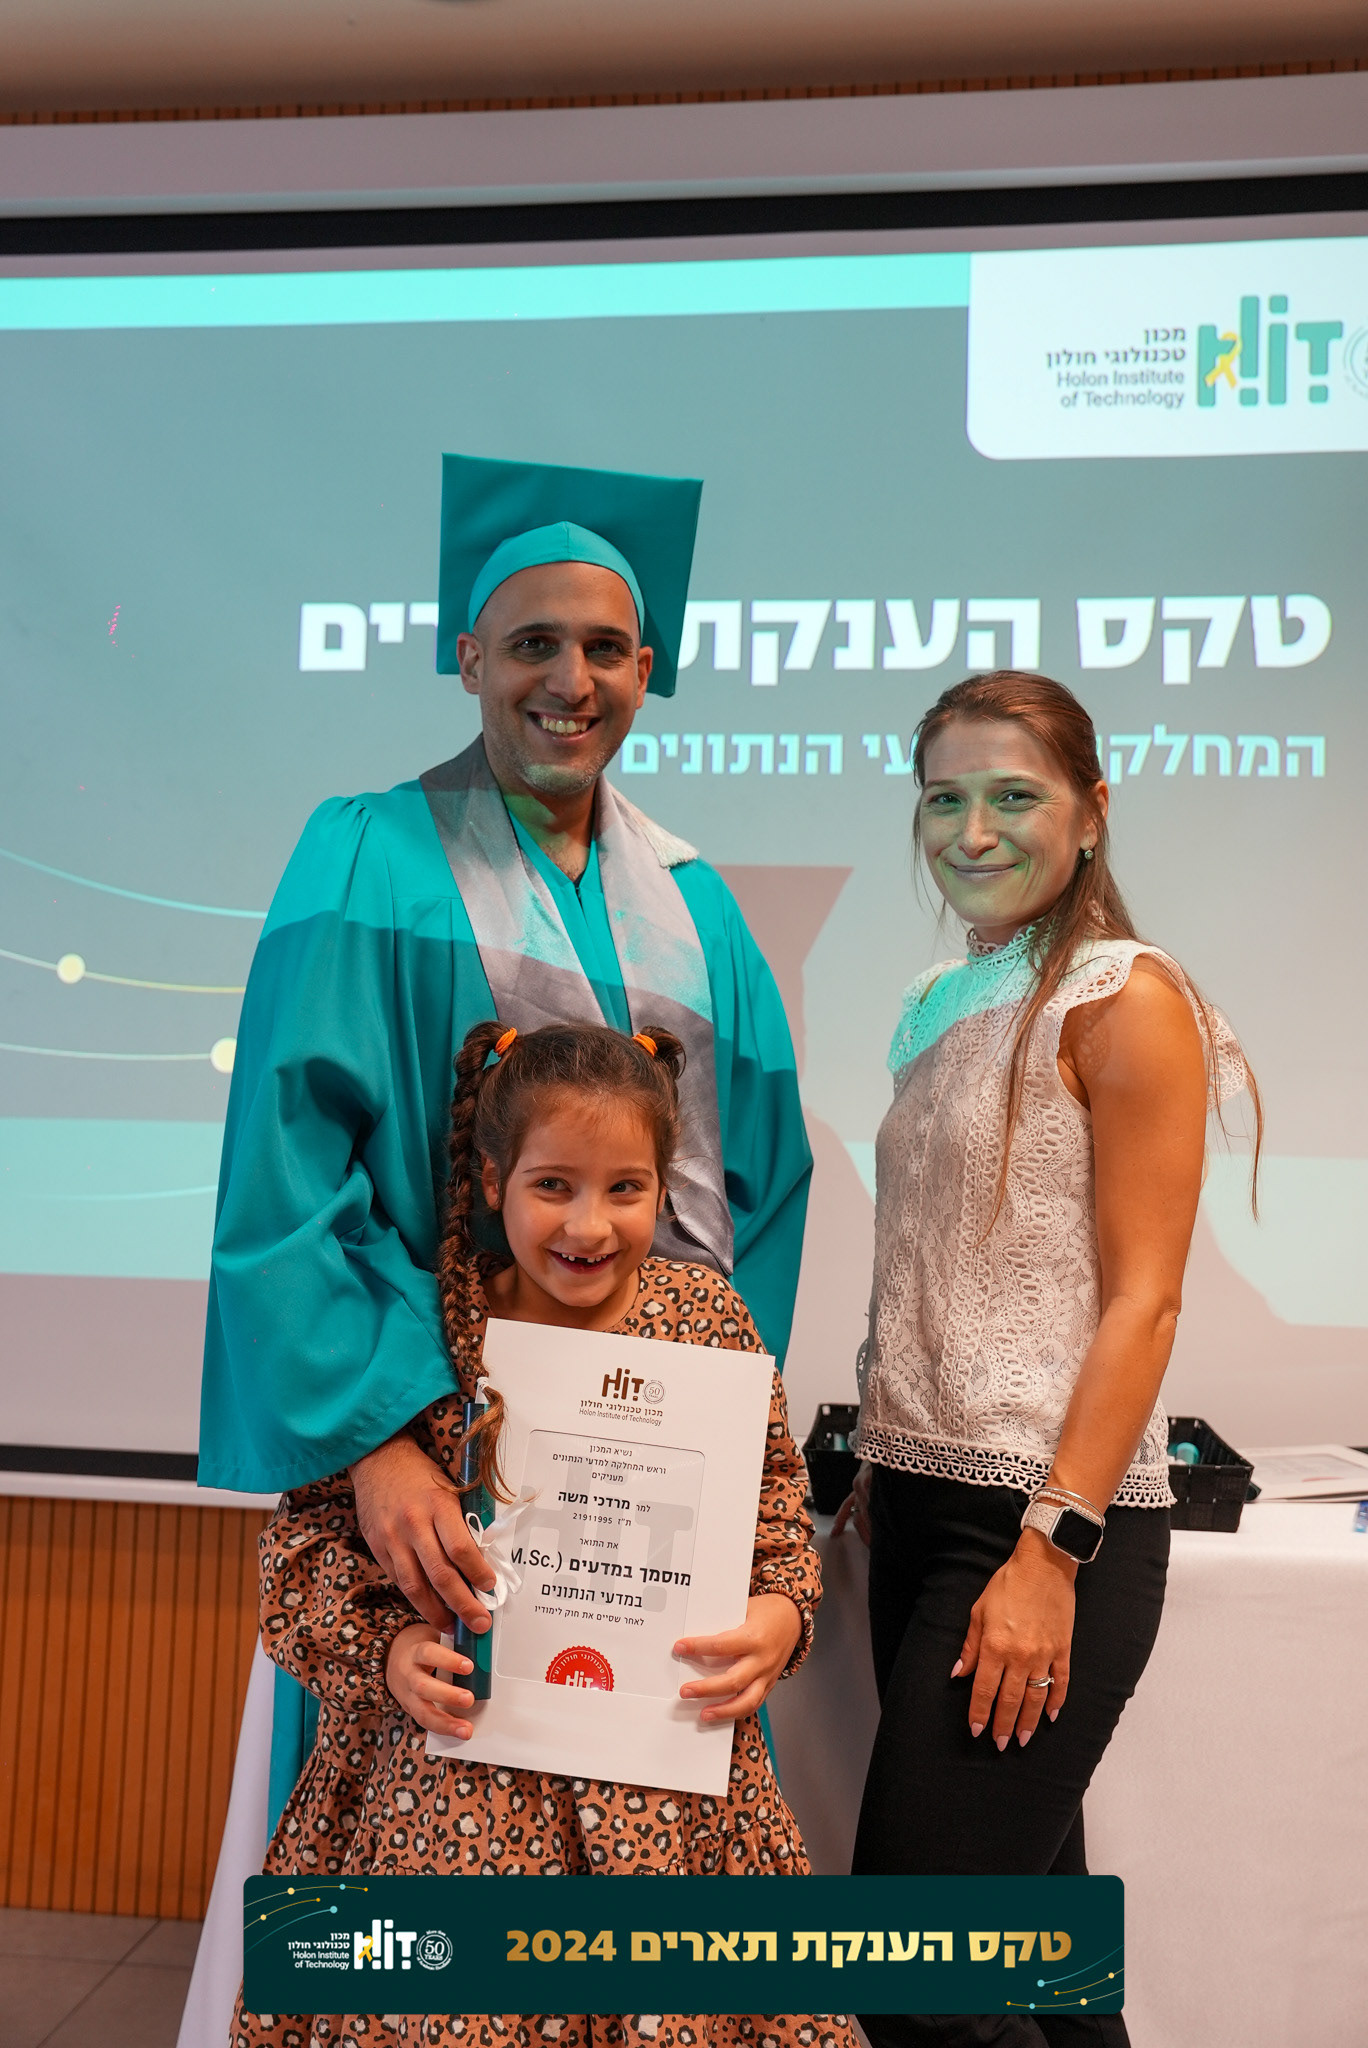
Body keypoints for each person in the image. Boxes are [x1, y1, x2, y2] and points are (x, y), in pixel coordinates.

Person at [199, 454, 812, 1820]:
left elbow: (758, 1197)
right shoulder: (368, 852)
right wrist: (374, 1444)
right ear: (470, 658)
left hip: (634, 1501)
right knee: (420, 1819)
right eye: (533, 643)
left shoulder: (700, 909)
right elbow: (289, 1170)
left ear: (647, 668)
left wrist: (695, 1440)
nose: (568, 679)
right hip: (426, 1469)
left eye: (603, 648)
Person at [231, 1017, 854, 2048]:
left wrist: (782, 1613)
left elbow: (777, 1507)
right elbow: (302, 1553)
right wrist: (389, 1651)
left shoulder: (710, 1322)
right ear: (492, 1180)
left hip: (666, 1803)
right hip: (453, 1809)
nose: (589, 1224)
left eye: (626, 1187)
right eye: (553, 1184)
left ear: (664, 1186)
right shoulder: (425, 1338)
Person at [836, 672, 1259, 2048]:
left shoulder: (1128, 994)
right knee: (1033, 1974)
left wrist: (1050, 1548)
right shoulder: (933, 999)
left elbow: (1145, 1302)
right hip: (916, 1509)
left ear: (1091, 811)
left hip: (1036, 1529)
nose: (972, 831)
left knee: (916, 1982)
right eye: (944, 799)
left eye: (1013, 795)